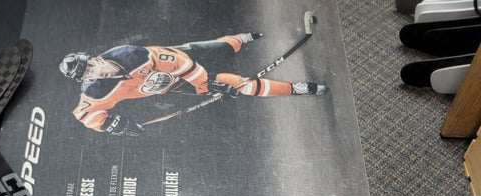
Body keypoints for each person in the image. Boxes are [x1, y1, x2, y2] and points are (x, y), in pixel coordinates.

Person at [59, 33, 327, 136]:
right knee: (238, 85)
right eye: (87, 74)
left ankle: (242, 38)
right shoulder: (95, 91)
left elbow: (181, 64)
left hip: (179, 61)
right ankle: (295, 88)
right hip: (172, 84)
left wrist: (205, 83)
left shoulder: (130, 55)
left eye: (91, 65)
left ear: (94, 58)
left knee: (221, 49)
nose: (94, 73)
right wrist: (114, 125)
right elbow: (86, 115)